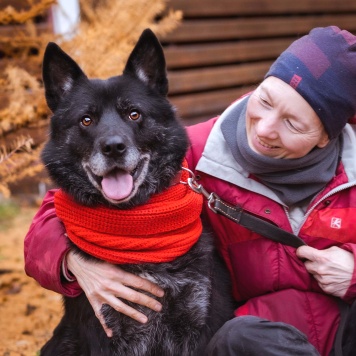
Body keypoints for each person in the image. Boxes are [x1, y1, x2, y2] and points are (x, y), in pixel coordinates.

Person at [24, 26, 356, 355]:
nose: (266, 129)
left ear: (327, 135)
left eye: (293, 123)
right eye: (265, 101)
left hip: (339, 331)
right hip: (252, 339)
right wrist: (76, 263)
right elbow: (53, 217)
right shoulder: (198, 154)